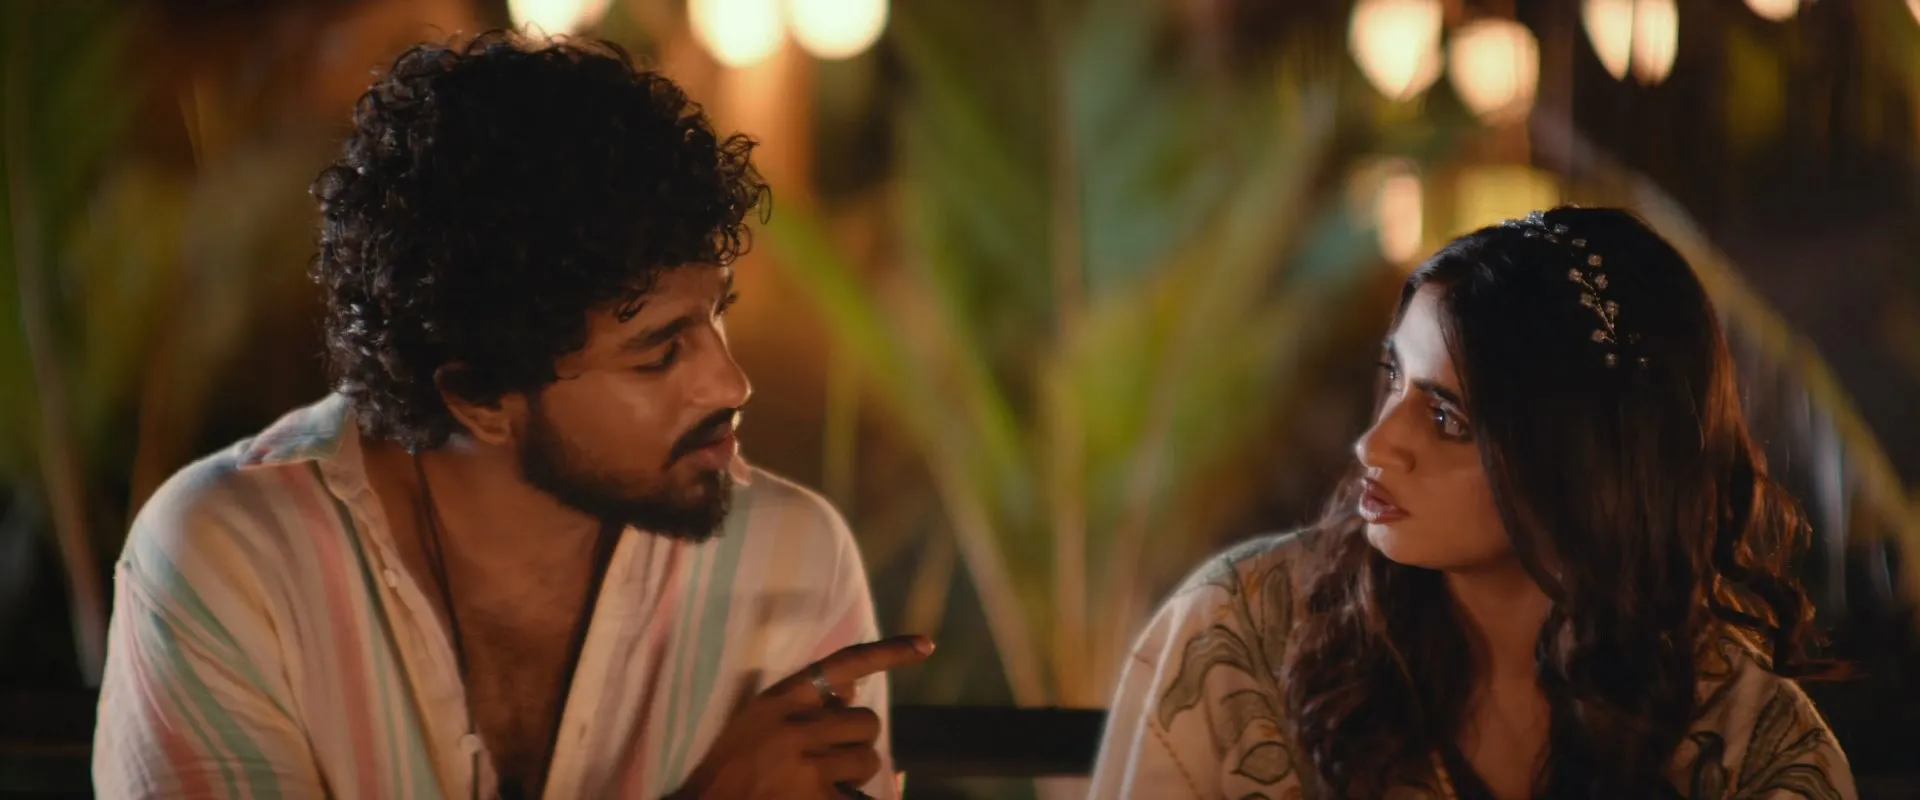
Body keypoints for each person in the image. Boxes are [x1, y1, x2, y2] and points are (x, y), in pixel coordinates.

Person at [92, 31, 929, 800]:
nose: (731, 383)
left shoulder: (791, 562)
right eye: (659, 352)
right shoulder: (232, 560)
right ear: (479, 397)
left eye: (718, 316)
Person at [1089, 207, 1856, 799]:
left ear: (1585, 468)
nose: (1375, 444)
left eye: (1447, 418)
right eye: (1394, 377)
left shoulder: (1752, 743)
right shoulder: (1238, 637)